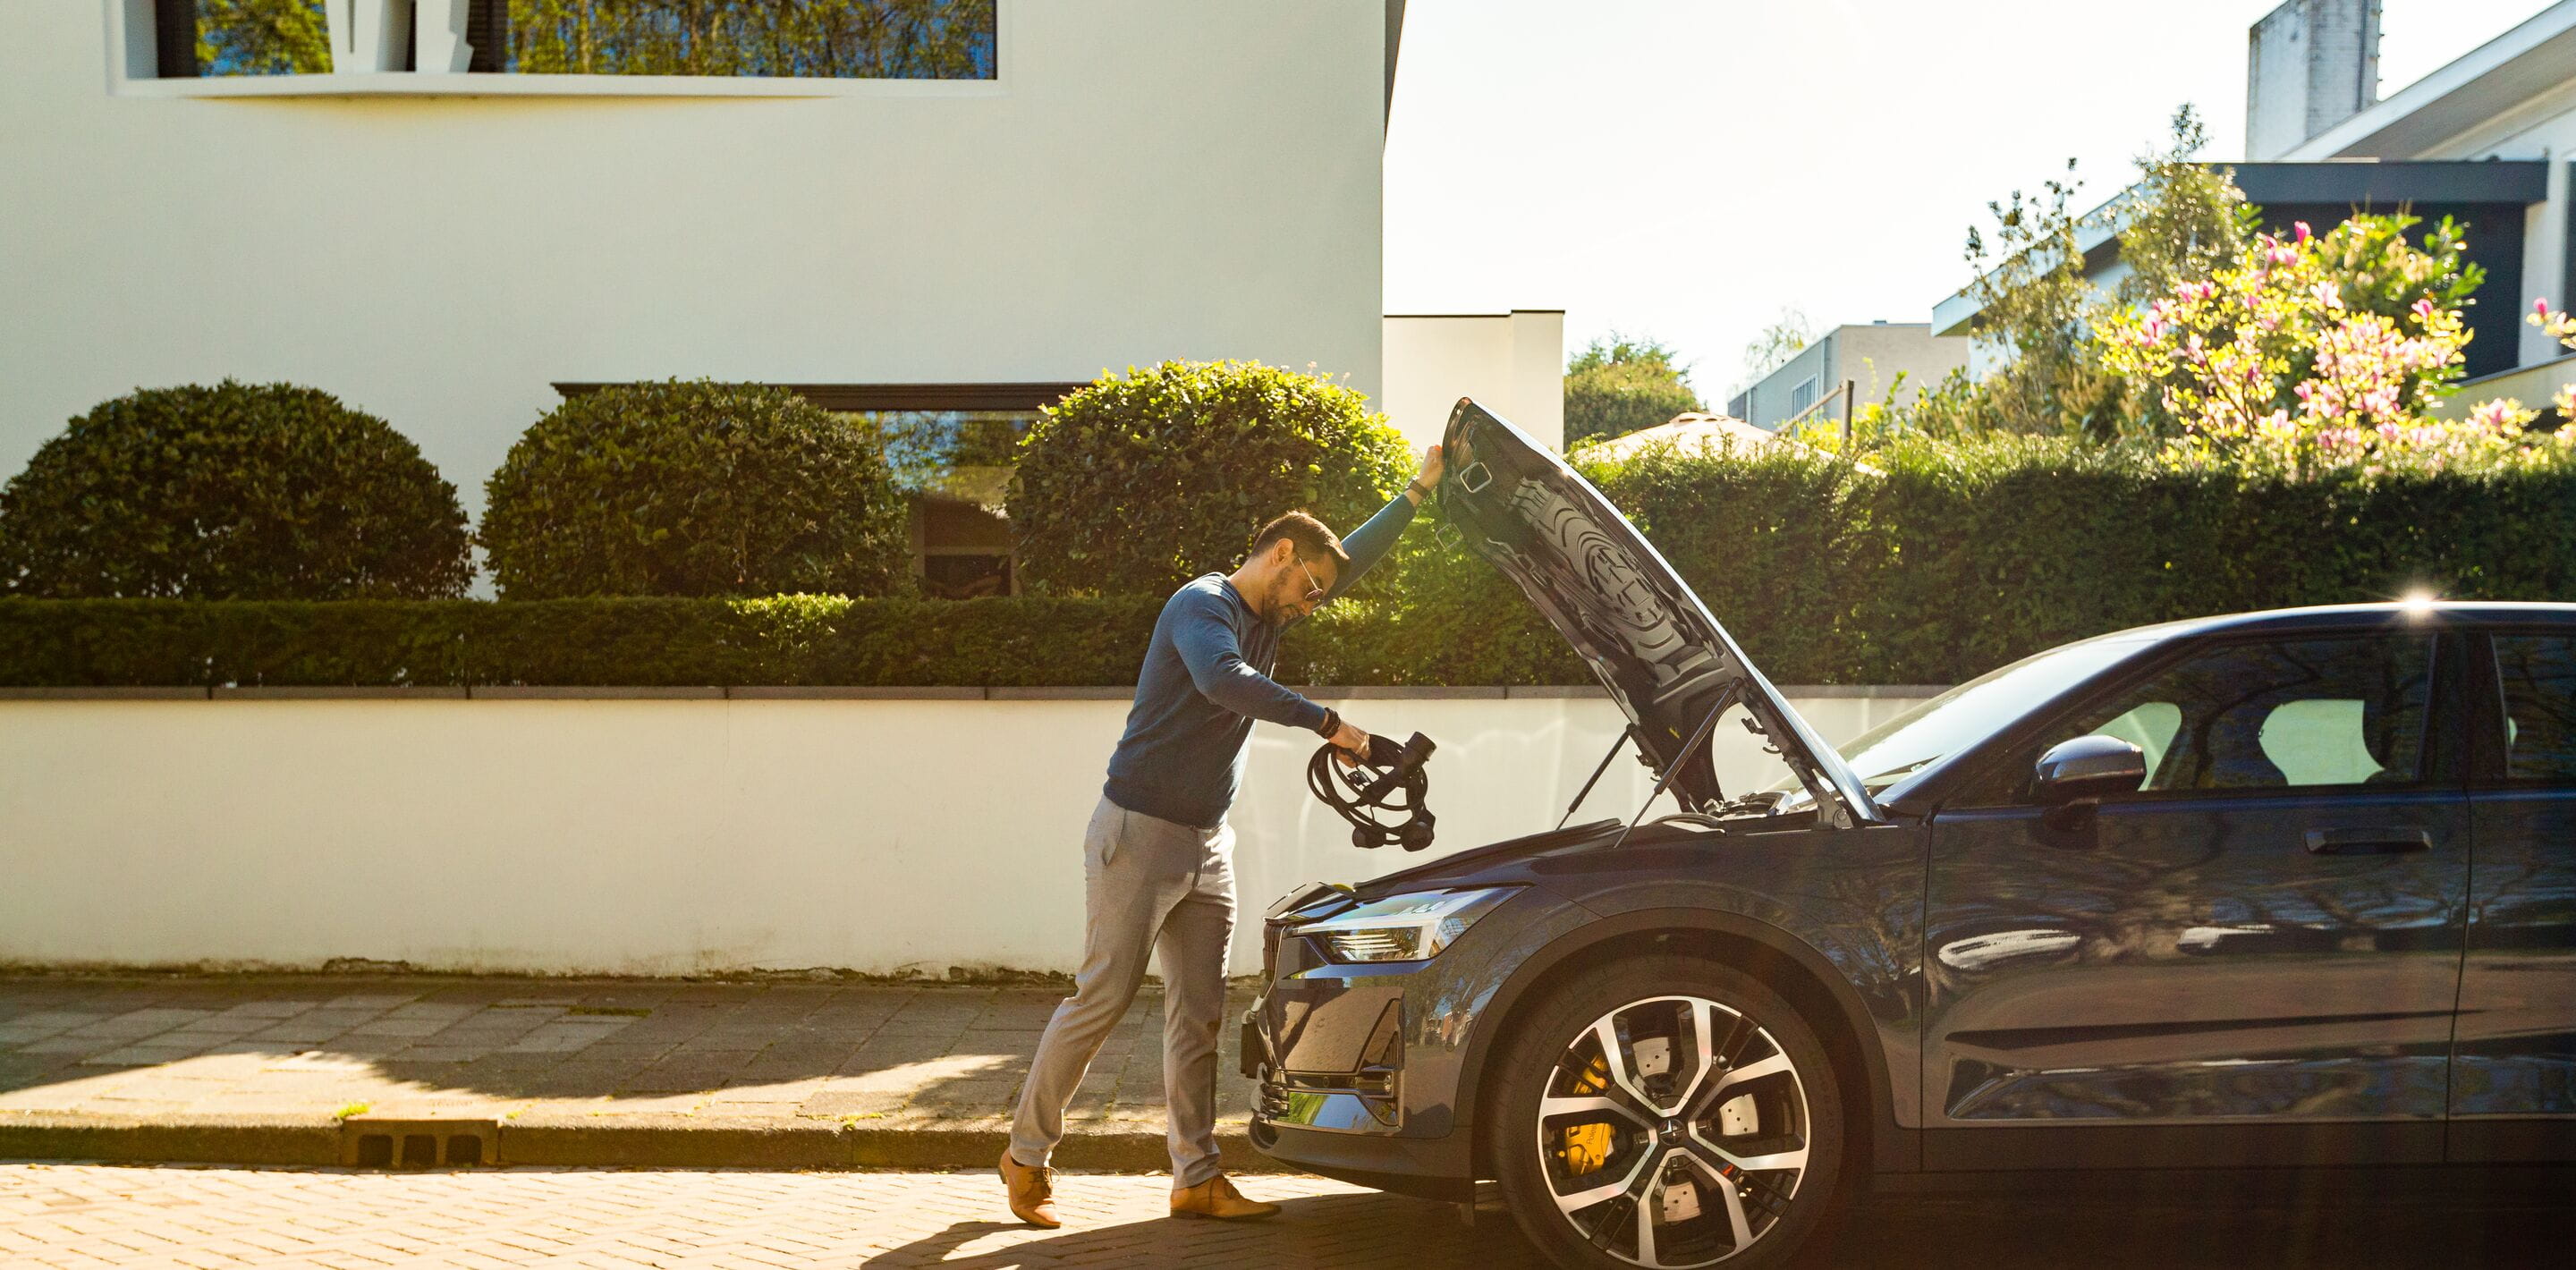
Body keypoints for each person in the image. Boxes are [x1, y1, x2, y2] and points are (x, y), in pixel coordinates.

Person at [999, 445, 1445, 1227]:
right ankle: (1024, 1156)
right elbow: (1221, 682)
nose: (1313, 605)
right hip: (1136, 833)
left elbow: (1350, 559)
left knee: (1199, 1011)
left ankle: (1196, 1178)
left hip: (1207, 842)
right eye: (1308, 588)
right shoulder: (1201, 606)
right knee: (1101, 999)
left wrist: (1416, 492)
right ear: (1279, 555)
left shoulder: (1279, 601)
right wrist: (1331, 725)